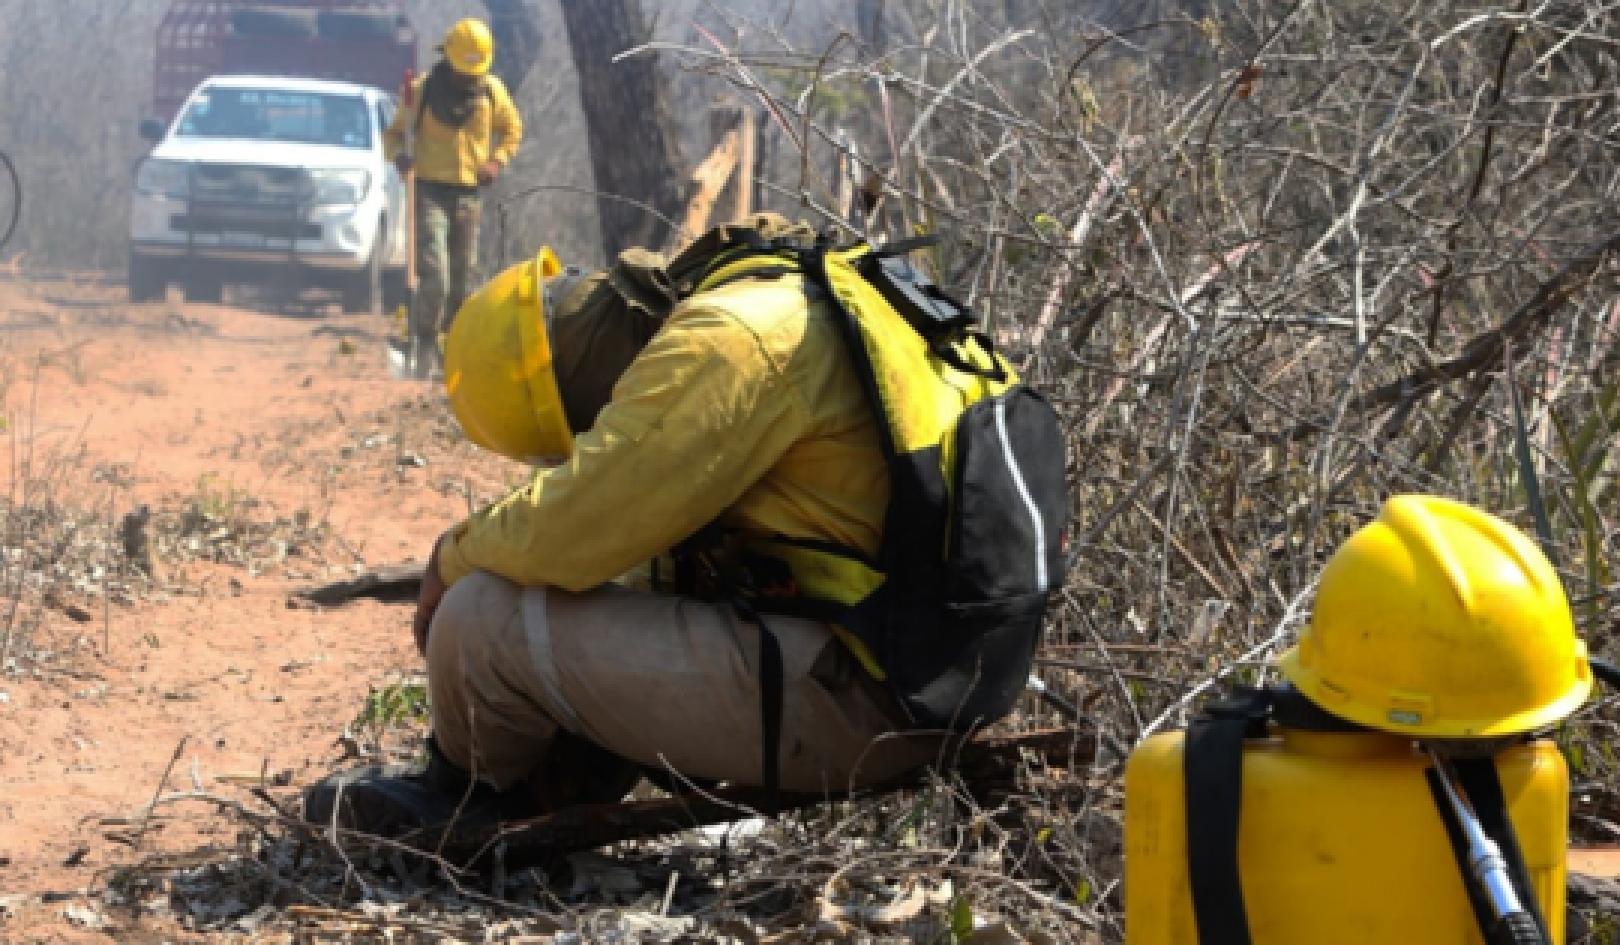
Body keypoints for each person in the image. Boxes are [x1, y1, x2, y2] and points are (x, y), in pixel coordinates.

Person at [303, 216, 1065, 845]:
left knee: (479, 621)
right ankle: (561, 769)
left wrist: (452, 557)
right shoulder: (788, 290)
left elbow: (575, 525)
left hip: (869, 704)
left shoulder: (732, 338)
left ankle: (463, 803)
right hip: (925, 678)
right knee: (625, 576)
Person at [384, 18, 523, 379]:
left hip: (468, 197)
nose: (467, 78)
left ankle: (454, 354)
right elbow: (393, 135)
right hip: (428, 192)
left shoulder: (492, 92)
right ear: (447, 58)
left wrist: (496, 161)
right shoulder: (422, 91)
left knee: (462, 283)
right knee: (437, 278)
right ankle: (423, 345)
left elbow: (512, 130)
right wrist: (400, 157)